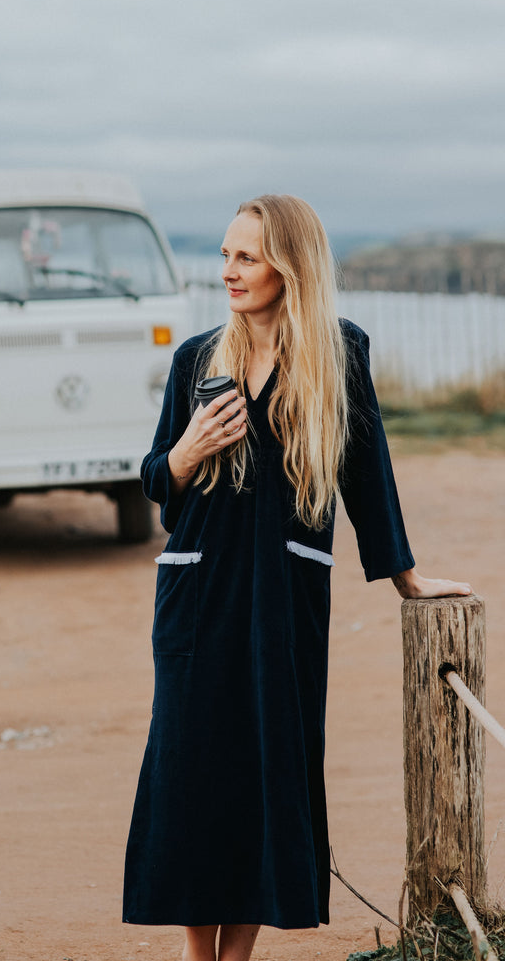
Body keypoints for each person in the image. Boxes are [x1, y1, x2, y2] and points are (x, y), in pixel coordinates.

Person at [122, 195, 471, 961]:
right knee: (189, 771)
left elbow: (367, 477)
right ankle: (195, 952)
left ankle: (236, 956)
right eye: (223, 256)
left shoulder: (338, 355)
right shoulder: (195, 360)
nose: (228, 273)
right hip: (197, 591)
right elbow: (158, 487)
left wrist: (406, 578)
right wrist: (183, 454)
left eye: (245, 257)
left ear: (291, 263)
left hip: (284, 599)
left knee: (265, 766)